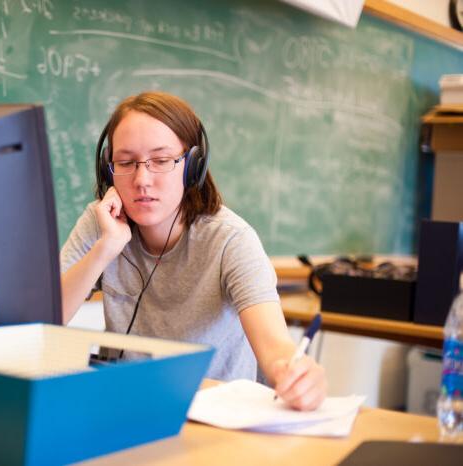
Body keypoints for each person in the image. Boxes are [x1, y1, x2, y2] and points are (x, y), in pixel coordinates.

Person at [60, 91, 327, 411]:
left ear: (192, 166)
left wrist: (296, 374)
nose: (142, 179)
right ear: (108, 169)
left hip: (214, 417)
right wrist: (106, 248)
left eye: (160, 161)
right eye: (126, 162)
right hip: (127, 407)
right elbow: (39, 321)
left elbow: (275, 348)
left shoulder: (231, 240)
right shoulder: (101, 222)